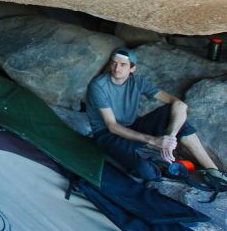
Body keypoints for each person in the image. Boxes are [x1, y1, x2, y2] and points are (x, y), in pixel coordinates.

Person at [86, 47, 227, 188]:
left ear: (132, 69)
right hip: (107, 135)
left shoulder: (137, 81)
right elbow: (112, 126)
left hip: (132, 126)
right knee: (145, 172)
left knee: (170, 112)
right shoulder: (98, 85)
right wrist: (154, 140)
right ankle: (161, 167)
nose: (117, 68)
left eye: (123, 65)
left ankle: (213, 172)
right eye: (114, 63)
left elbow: (180, 104)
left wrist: (170, 137)